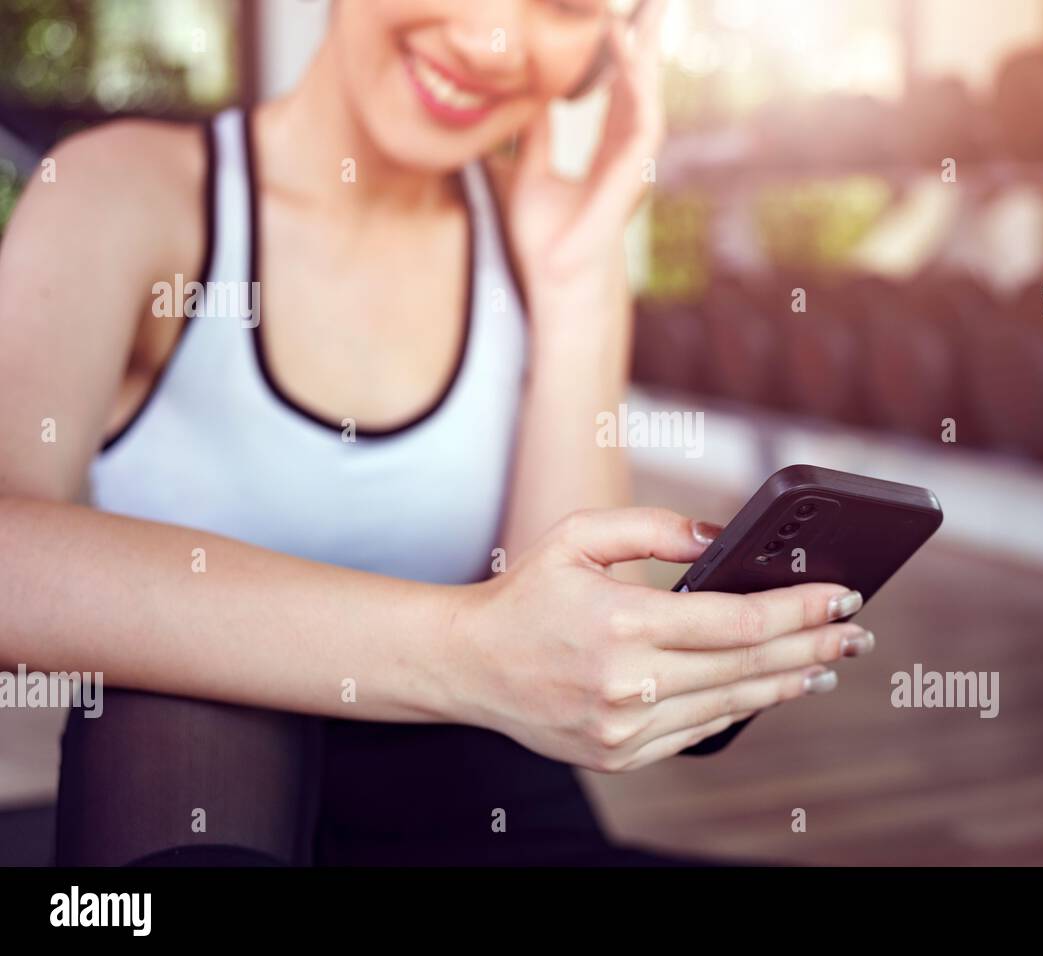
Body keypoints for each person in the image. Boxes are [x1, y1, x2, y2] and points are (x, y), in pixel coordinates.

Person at [0, 0, 870, 866]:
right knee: (176, 708)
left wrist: (576, 278)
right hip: (195, 784)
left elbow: (567, 607)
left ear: (614, 46)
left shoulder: (545, 236)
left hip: (466, 799)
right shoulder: (125, 193)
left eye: (565, 5)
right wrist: (466, 649)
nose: (489, 38)